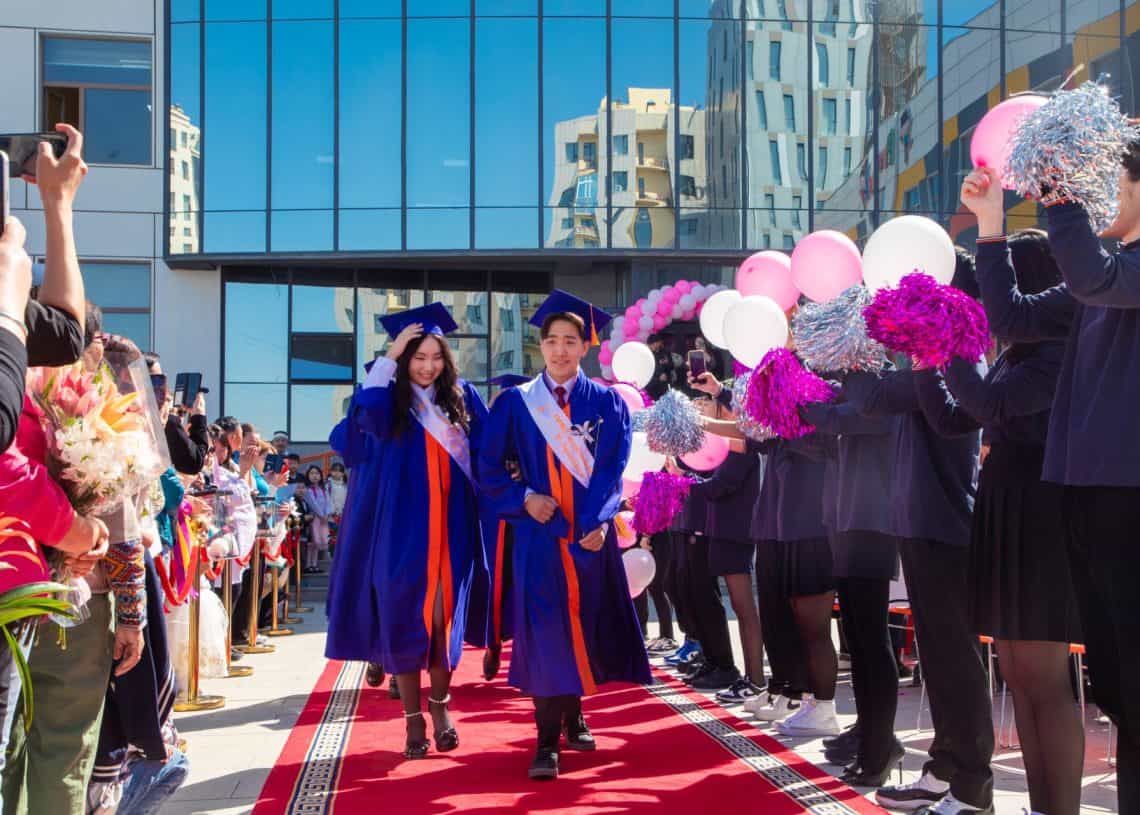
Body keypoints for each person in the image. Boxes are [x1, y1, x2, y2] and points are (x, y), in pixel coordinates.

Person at [963, 160, 1140, 812]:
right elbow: (1008, 316)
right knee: (1119, 696)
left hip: (1122, 498)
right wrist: (990, 227)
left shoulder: (1112, 273)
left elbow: (1093, 272)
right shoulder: (1094, 281)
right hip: (1087, 499)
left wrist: (1060, 189)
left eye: (1109, 185)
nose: (1098, 202)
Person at [477, 290, 650, 781]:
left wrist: (598, 522)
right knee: (547, 635)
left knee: (585, 631)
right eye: (551, 341)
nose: (559, 350)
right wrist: (523, 498)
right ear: (540, 347)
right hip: (539, 538)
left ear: (585, 347)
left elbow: (614, 467)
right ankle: (546, 741)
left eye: (570, 341)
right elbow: (487, 465)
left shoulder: (606, 402)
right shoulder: (516, 403)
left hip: (588, 541)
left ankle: (575, 713)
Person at [843, 269, 992, 813]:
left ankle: (974, 784)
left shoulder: (955, 359)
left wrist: (849, 340)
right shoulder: (930, 360)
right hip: (919, 524)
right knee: (937, 656)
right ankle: (945, 767)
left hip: (945, 528)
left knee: (955, 658)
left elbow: (870, 397)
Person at [331, 302, 489, 760]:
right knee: (403, 618)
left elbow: (490, 448)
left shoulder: (462, 398)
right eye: (417, 358)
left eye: (435, 357)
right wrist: (389, 356)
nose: (427, 367)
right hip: (400, 531)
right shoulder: (391, 405)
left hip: (453, 527)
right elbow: (361, 424)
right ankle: (413, 720)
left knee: (442, 620)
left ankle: (440, 709)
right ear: (402, 360)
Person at [798, 394, 904, 786]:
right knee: (857, 642)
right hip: (844, 520)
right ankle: (869, 737)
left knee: (872, 642)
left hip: (873, 522)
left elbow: (836, 418)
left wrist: (795, 393)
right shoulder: (853, 392)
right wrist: (787, 419)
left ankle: (881, 745)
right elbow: (822, 440)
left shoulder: (875, 390)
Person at [327, 367, 397, 699]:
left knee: (397, 587)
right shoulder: (361, 415)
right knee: (370, 586)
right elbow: (341, 442)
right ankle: (376, 655)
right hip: (367, 510)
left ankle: (399, 665)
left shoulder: (410, 412)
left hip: (400, 507)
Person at [477, 373, 530, 682]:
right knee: (497, 582)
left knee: (527, 583)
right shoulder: (488, 430)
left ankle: (523, 652)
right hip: (495, 516)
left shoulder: (534, 426)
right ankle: (494, 643)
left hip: (529, 515)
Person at [301, 465, 332, 574]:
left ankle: (314, 565)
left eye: (317, 473)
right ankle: (308, 565)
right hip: (314, 518)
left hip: (323, 519)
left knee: (318, 543)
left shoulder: (324, 489)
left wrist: (327, 514)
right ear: (308, 475)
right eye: (312, 473)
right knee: (312, 542)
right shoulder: (308, 490)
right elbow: (313, 503)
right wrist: (321, 515)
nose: (315, 476)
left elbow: (328, 502)